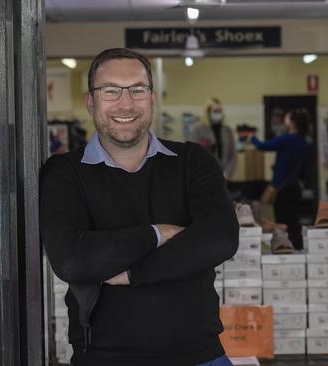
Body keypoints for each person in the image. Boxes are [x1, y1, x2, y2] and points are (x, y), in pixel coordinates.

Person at [40, 48, 239, 366]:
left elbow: (220, 239)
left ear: (152, 98)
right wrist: (159, 233)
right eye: (110, 91)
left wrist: (133, 272)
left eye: (137, 90)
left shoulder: (193, 162)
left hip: (200, 356)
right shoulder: (64, 172)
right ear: (91, 100)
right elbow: (72, 260)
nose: (126, 103)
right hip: (103, 358)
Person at [250, 108, 313, 250]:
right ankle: (297, 248)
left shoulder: (287, 139)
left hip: (282, 189)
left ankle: (284, 247)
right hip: (295, 187)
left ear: (292, 123)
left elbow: (263, 146)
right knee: (294, 221)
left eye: (287, 118)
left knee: (282, 222)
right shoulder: (304, 142)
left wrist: (252, 137)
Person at [189, 98, 238, 179]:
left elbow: (233, 156)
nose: (218, 113)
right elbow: (193, 154)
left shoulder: (228, 130)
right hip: (204, 176)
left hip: (224, 176)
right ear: (208, 112)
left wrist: (227, 173)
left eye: (220, 111)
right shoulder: (198, 129)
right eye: (215, 111)